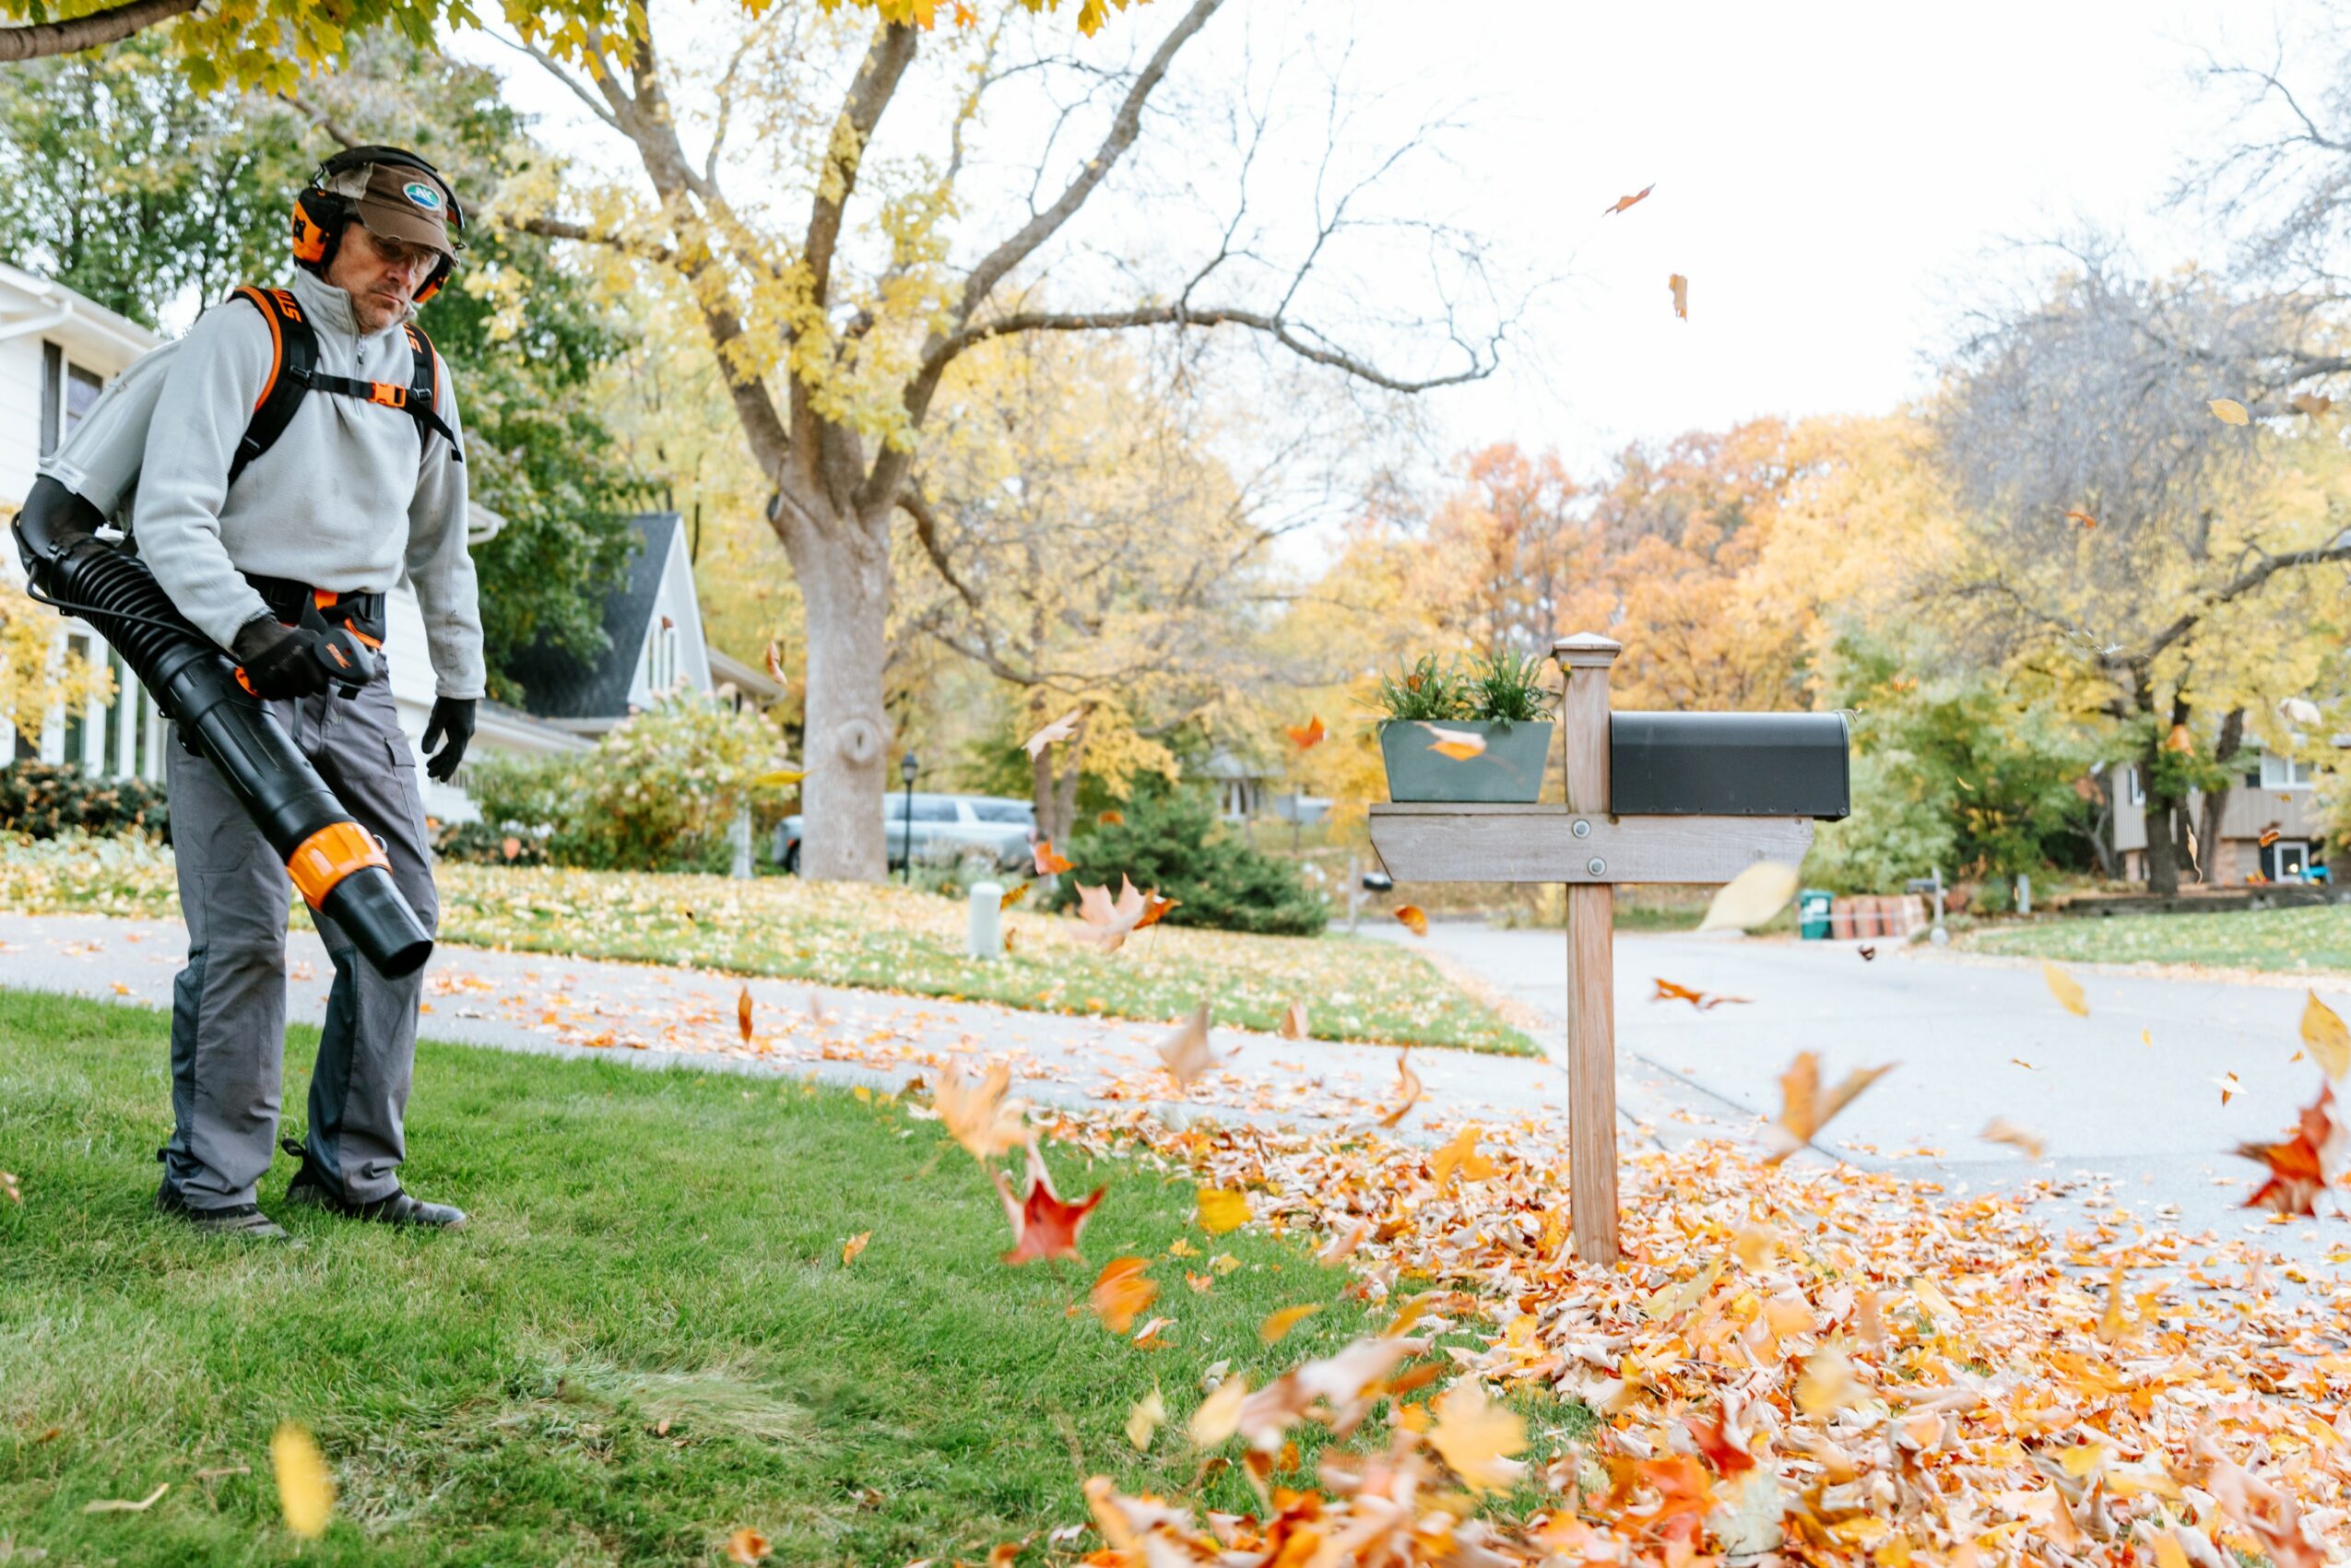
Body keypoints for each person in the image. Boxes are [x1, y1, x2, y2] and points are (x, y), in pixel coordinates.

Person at [137, 146, 484, 1238]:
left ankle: (352, 1170)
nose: (405, 275)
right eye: (388, 248)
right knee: (245, 934)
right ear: (322, 234)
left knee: (399, 918)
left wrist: (461, 680)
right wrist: (250, 629)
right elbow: (170, 513)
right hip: (232, 668)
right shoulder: (246, 334)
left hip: (357, 676)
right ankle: (210, 1183)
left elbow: (441, 548)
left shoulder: (423, 371)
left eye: (424, 261)